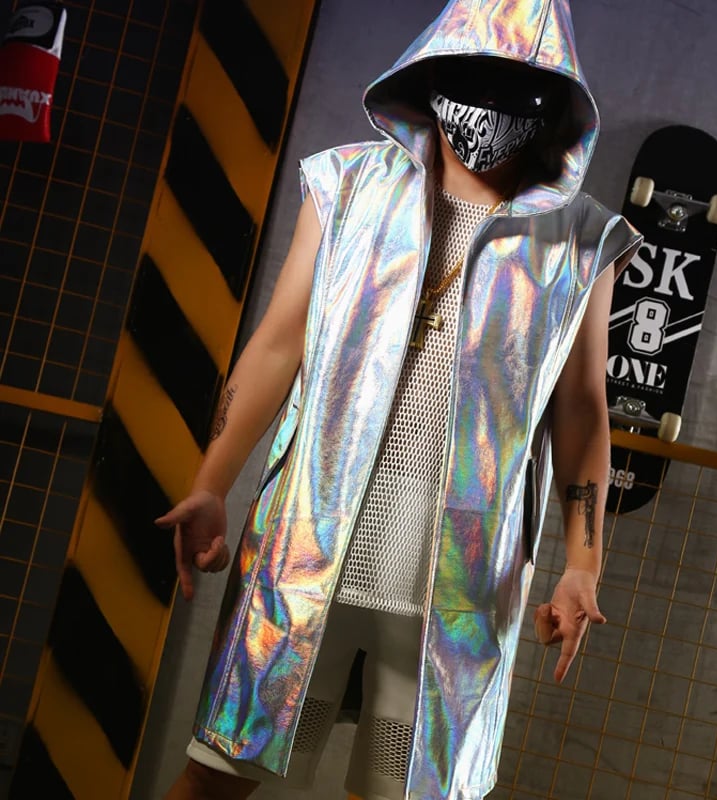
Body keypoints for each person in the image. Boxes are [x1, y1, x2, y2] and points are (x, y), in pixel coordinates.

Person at [158, 1, 642, 798]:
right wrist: (213, 482)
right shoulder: (348, 185)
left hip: (455, 594)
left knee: (401, 790)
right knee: (217, 777)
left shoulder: (582, 240)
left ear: (555, 98)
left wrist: (583, 563)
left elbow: (584, 409)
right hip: (310, 558)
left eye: (517, 84)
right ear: (432, 72)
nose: (489, 106)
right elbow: (280, 340)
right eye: (474, 78)